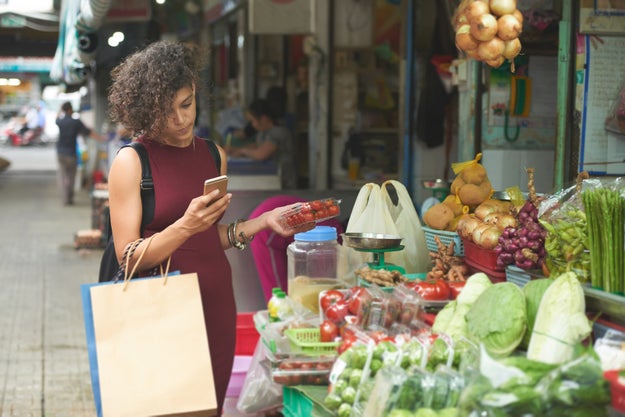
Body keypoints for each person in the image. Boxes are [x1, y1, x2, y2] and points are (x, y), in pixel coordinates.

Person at [106, 40, 312, 415]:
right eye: (166, 112)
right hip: (160, 308)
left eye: (186, 104)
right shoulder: (131, 162)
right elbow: (129, 257)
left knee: (211, 409)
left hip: (216, 302)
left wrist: (262, 222)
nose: (181, 120)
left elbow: (208, 239)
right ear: (145, 113)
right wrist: (184, 226)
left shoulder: (214, 155)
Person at [249, 195, 344, 301]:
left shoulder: (331, 227)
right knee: (280, 293)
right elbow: (322, 280)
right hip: (267, 228)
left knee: (285, 289)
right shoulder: (335, 237)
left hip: (267, 216)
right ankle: (281, 313)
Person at [226, 98, 296, 189]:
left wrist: (243, 151)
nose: (253, 125)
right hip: (273, 179)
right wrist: (234, 150)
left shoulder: (279, 132)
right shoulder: (263, 133)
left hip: (285, 183)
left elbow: (260, 154)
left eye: (253, 121)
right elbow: (256, 147)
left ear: (263, 118)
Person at [55, 101, 103, 205]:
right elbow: (88, 132)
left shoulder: (60, 122)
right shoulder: (76, 122)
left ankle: (65, 198)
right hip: (71, 153)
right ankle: (69, 198)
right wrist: (101, 139)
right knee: (71, 176)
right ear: (70, 109)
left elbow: (56, 118)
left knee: (63, 176)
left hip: (60, 152)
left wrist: (60, 109)